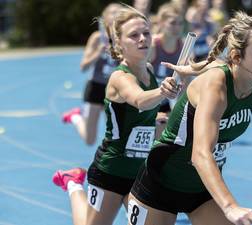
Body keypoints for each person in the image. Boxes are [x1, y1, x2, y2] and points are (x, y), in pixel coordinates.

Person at [125, 11, 252, 225]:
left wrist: (190, 68)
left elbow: (213, 63)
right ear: (237, 57)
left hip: (201, 188)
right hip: (161, 182)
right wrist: (231, 207)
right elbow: (200, 153)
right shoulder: (216, 84)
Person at [52, 6, 179, 225]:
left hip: (139, 171)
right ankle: (73, 183)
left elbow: (142, 118)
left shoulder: (148, 70)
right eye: (134, 35)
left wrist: (159, 122)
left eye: (146, 33)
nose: (142, 39)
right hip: (111, 170)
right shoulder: (120, 77)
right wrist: (162, 91)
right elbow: (139, 99)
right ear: (119, 43)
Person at [62, 3, 122, 146]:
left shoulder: (124, 38)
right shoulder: (97, 38)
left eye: (119, 13)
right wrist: (98, 52)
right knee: (90, 140)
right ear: (104, 17)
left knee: (116, 135)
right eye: (112, 13)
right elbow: (84, 66)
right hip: (96, 87)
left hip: (115, 88)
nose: (115, 16)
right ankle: (76, 117)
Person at [148, 3, 184, 138]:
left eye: (180, 23)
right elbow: (137, 77)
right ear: (162, 23)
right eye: (173, 23)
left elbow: (185, 82)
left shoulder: (183, 48)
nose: (177, 27)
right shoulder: (152, 46)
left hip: (166, 103)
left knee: (161, 145)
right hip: (147, 100)